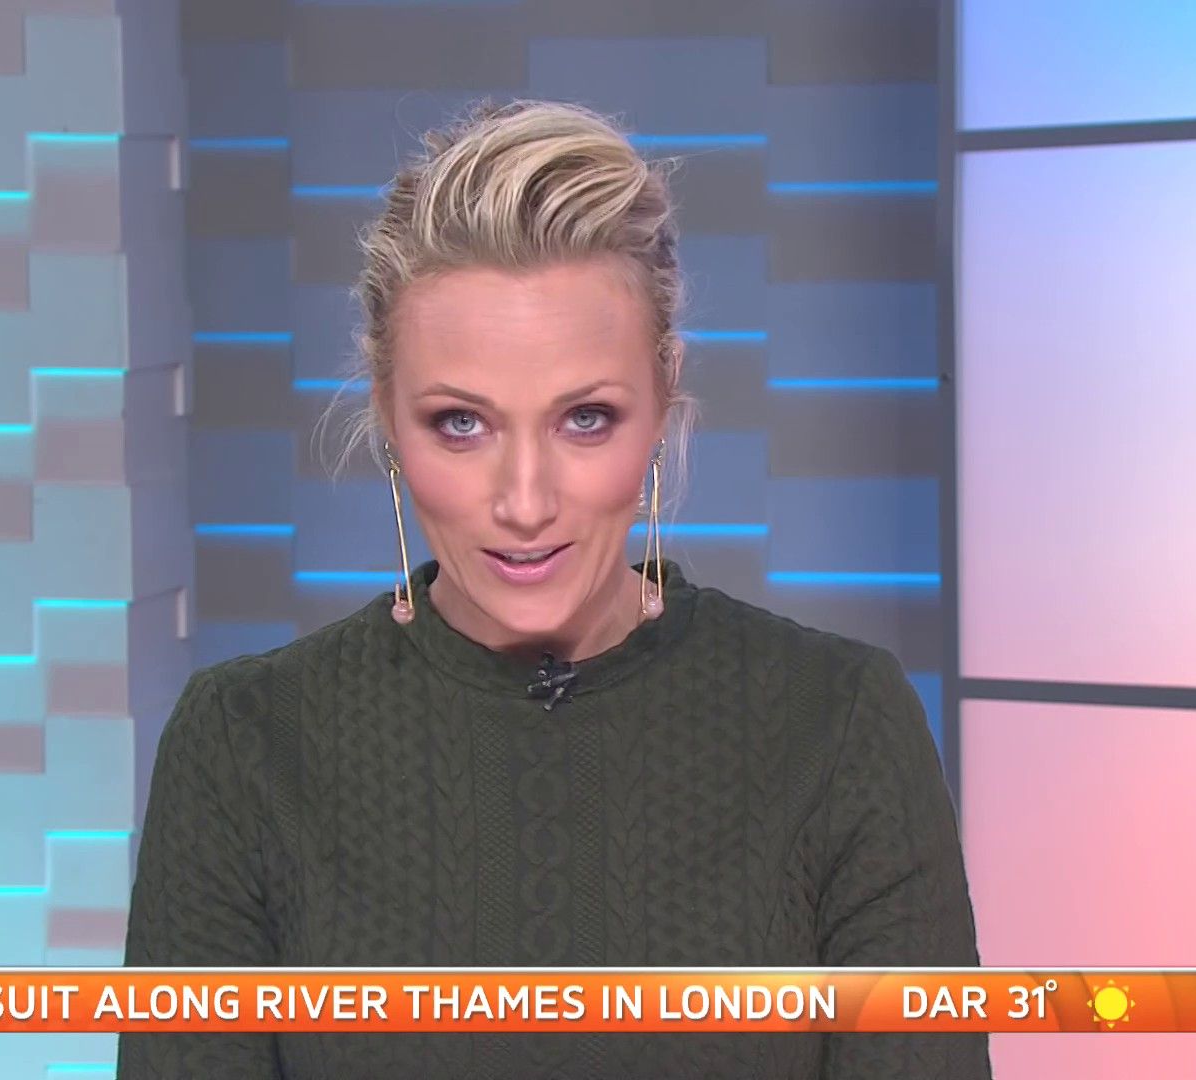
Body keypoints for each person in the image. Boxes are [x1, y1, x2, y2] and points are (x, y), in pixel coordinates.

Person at [119, 99, 990, 1079]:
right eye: (461, 424)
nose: (525, 502)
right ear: (388, 418)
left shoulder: (839, 726)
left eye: (585, 419)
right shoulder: (243, 749)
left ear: (664, 399)